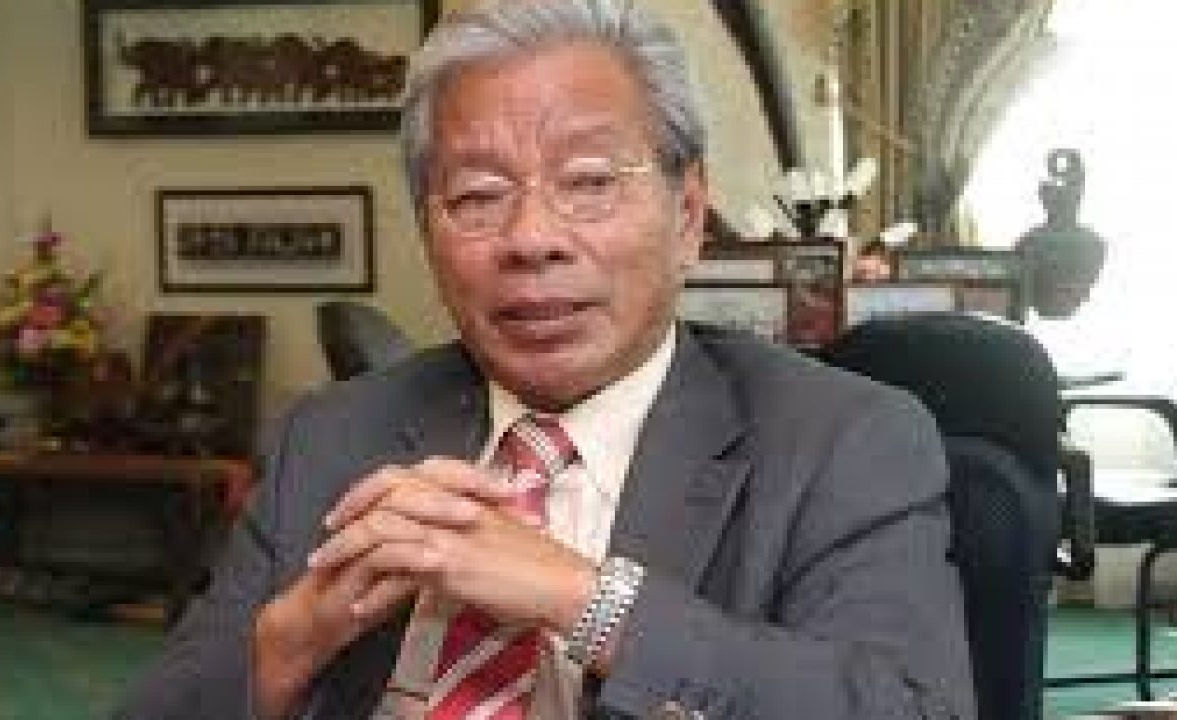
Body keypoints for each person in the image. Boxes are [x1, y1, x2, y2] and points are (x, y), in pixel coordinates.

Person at [115, 1, 974, 718]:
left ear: (687, 216)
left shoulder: (842, 439)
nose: (531, 239)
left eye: (590, 182)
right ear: (429, 234)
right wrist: (292, 638)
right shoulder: (332, 435)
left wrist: (588, 601)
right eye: (478, 195)